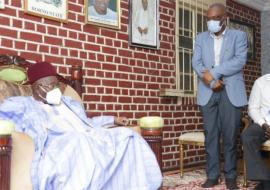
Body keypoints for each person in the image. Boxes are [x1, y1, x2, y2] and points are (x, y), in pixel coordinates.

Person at [0, 61, 162, 190]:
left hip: (87, 135)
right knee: (78, 141)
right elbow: (4, 119)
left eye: (55, 84)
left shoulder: (69, 102)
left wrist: (112, 119)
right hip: (59, 142)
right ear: (35, 88)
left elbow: (87, 122)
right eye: (48, 85)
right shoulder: (22, 105)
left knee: (128, 136)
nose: (54, 89)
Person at [192, 3, 248, 189]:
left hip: (231, 91)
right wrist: (210, 81)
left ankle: (231, 176)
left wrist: (213, 74)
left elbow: (239, 61)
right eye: (208, 18)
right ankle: (213, 175)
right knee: (211, 135)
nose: (211, 22)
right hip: (208, 91)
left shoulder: (239, 36)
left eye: (215, 18)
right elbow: (196, 61)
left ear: (225, 18)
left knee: (231, 135)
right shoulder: (200, 38)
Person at [242, 74, 270, 190]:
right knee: (248, 136)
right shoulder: (261, 82)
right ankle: (265, 180)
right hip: (264, 124)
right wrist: (264, 125)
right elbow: (253, 108)